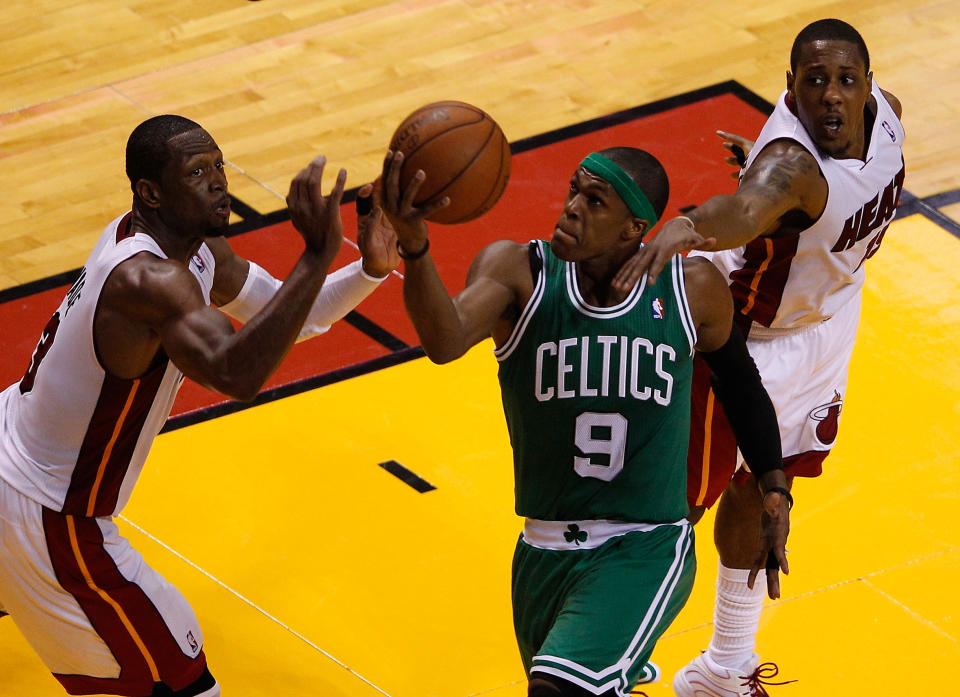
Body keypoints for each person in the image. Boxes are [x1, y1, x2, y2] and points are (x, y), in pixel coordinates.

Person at [0, 114, 398, 697]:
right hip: (47, 508)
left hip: (15, 445)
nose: (218, 182)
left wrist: (369, 268)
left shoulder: (191, 249)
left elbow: (296, 317)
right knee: (175, 678)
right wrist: (314, 254)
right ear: (151, 192)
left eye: (219, 165)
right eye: (197, 172)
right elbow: (237, 373)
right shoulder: (149, 280)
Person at [377, 145, 791, 697]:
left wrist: (773, 485)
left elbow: (741, 384)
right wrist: (416, 247)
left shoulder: (690, 290)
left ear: (634, 229)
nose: (571, 207)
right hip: (543, 548)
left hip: (643, 547)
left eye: (594, 201)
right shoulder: (517, 271)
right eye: (574, 190)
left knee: (557, 690)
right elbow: (444, 339)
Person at [612, 19, 905, 697]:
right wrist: (694, 222)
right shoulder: (791, 168)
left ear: (868, 83)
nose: (831, 96)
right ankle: (601, 665)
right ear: (789, 87)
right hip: (740, 336)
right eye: (812, 82)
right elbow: (742, 209)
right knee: (665, 515)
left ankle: (724, 667)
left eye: (844, 81)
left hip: (825, 323)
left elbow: (825, 192)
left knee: (765, 494)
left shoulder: (888, 115)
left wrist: (772, 189)